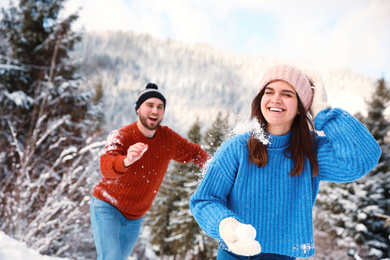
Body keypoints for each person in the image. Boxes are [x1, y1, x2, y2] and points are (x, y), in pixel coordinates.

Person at [189, 64, 381, 260]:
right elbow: (204, 200)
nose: (275, 99)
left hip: (284, 256)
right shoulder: (237, 149)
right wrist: (226, 224)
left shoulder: (311, 151)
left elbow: (363, 158)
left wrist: (322, 112)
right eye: (269, 92)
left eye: (287, 94)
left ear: (300, 106)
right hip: (235, 255)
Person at [90, 83, 210, 260]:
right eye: (150, 105)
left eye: (160, 107)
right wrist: (126, 160)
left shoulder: (167, 138)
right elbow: (106, 165)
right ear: (138, 109)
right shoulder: (122, 135)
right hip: (107, 207)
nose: (155, 110)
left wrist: (214, 168)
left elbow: (194, 152)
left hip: (135, 217)